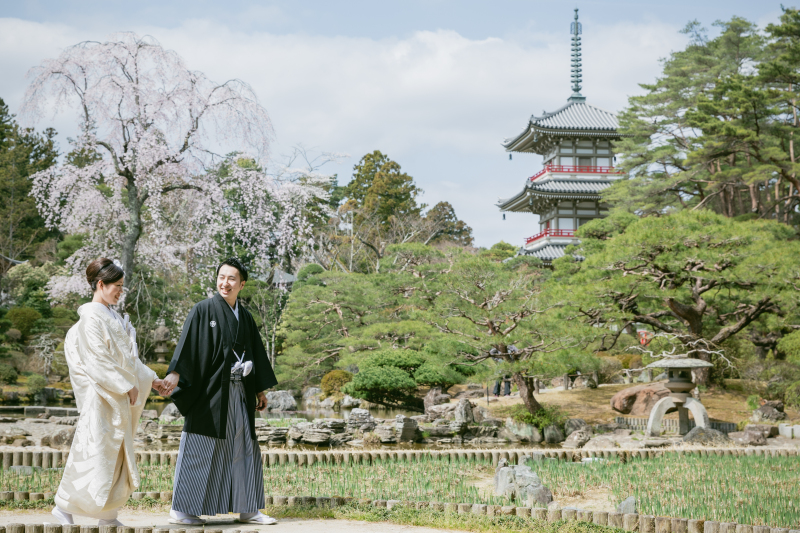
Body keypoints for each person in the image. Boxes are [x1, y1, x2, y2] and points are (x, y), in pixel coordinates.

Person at [162, 258, 278, 525]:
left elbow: (256, 354)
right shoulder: (203, 310)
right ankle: (182, 509)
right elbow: (187, 348)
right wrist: (174, 375)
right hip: (210, 392)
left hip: (239, 391)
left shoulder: (245, 317)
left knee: (243, 446)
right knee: (201, 445)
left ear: (242, 284)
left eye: (232, 279)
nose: (225, 283)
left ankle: (248, 507)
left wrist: (259, 389)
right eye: (221, 277)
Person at [51, 258, 165, 526]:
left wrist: (153, 379)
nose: (119, 291)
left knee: (114, 455)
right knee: (92, 453)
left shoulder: (113, 316)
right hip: (101, 395)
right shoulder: (91, 316)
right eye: (117, 286)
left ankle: (108, 514)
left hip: (116, 396)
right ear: (100, 284)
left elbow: (128, 359)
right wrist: (126, 385)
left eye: (122, 286)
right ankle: (63, 508)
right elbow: (97, 360)